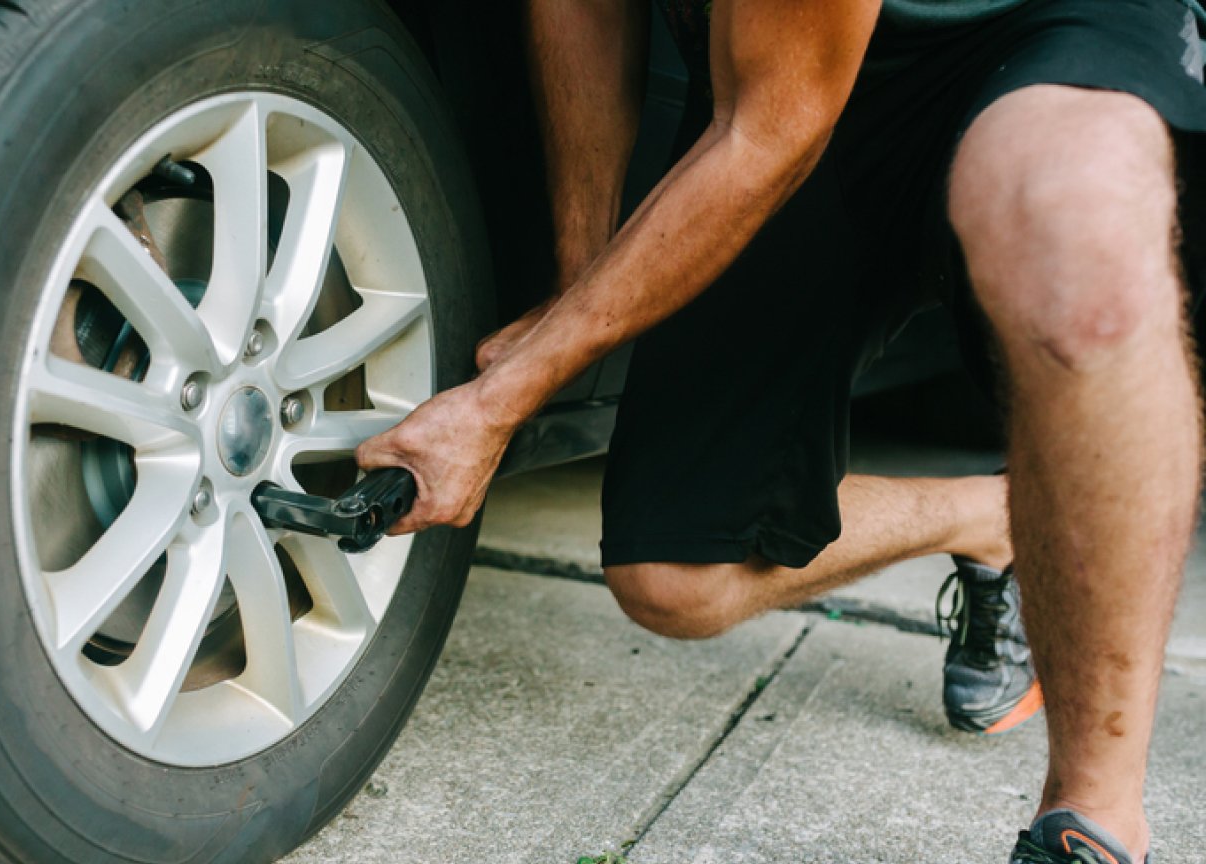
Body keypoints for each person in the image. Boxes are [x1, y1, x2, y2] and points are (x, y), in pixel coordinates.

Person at [355, 0, 1206, 860]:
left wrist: (499, 402)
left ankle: (1094, 821)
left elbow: (766, 132)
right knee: (675, 576)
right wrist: (575, 291)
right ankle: (997, 517)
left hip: (1026, 31)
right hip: (783, 72)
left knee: (1081, 233)